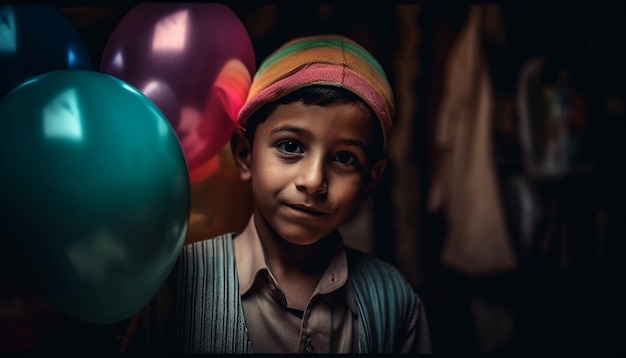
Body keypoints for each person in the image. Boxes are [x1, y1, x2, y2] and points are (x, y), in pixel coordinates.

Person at [122, 34, 432, 354]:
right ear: (245, 155)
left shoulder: (395, 303)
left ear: (371, 178)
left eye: (344, 158)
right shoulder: (177, 283)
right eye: (290, 146)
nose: (313, 181)